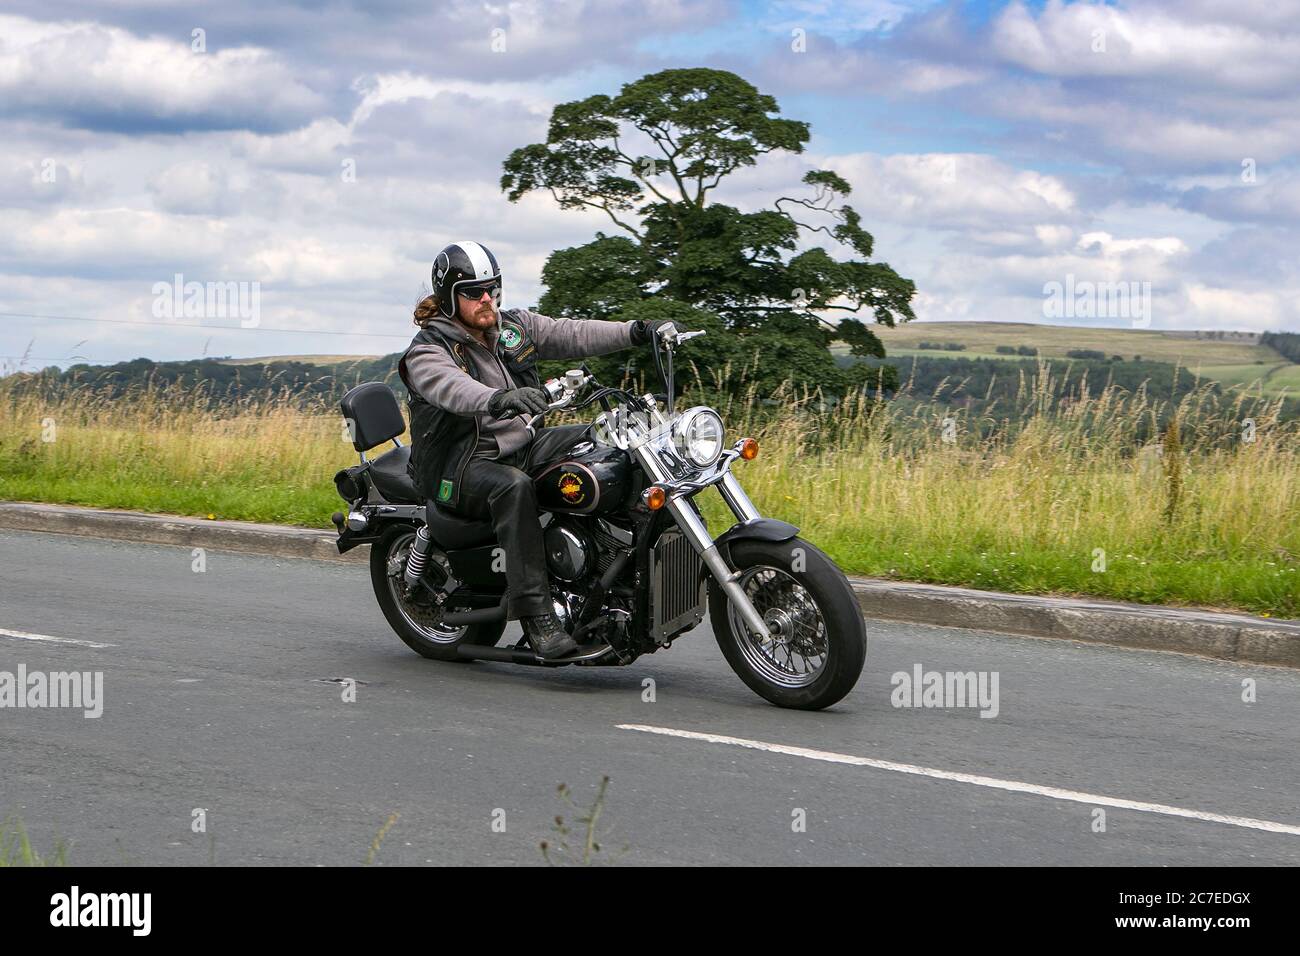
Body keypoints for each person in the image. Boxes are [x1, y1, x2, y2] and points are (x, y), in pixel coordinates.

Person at [398, 241, 666, 660]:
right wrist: (499, 398)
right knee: (514, 489)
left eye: (492, 289)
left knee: (608, 441)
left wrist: (635, 331)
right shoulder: (428, 350)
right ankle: (537, 616)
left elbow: (571, 332)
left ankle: (620, 570)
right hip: (462, 463)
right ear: (450, 296)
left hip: (520, 441)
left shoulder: (511, 327)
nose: (486, 299)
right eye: (473, 292)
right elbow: (452, 388)